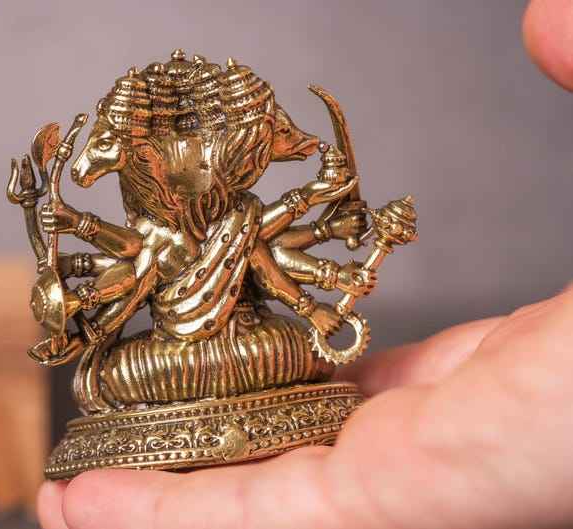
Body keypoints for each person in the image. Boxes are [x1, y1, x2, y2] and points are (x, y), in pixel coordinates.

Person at [37, 1, 573, 526]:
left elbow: (269, 265)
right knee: (122, 372)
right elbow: (129, 271)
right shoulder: (153, 234)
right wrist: (71, 235)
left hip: (259, 344)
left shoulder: (243, 215)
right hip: (167, 357)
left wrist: (315, 297)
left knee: (297, 348)